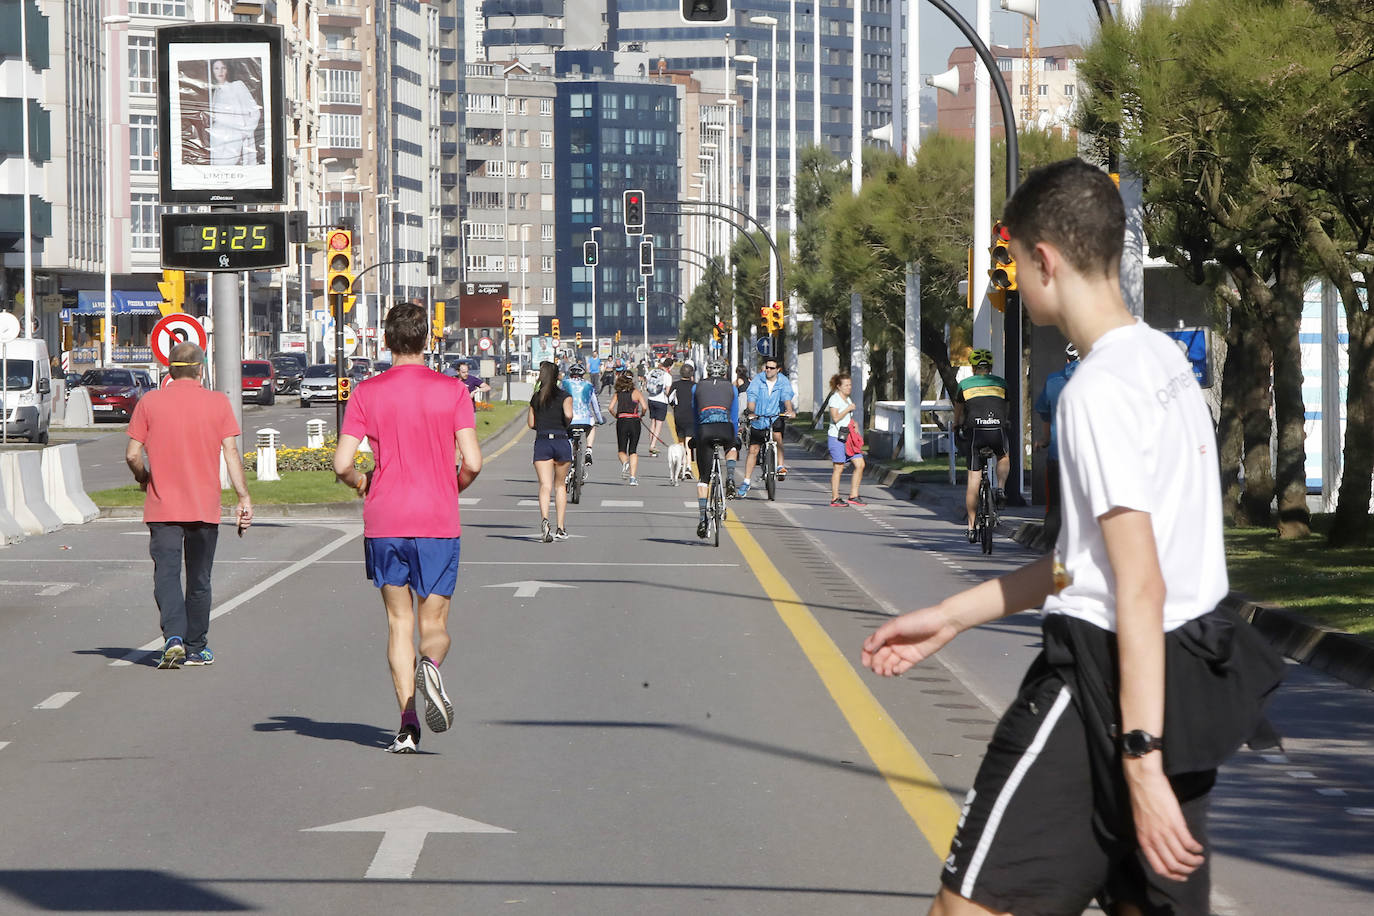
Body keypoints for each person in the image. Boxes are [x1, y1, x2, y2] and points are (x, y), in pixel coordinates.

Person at [861, 158, 1284, 916]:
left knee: (970, 908)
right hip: (1190, 683)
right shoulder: (1164, 365)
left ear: (1045, 260)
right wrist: (952, 617)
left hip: (1105, 689)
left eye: (1017, 264)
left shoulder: (1094, 392)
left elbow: (1139, 584)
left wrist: (1141, 760)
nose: (1016, 282)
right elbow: (1081, 565)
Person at [333, 303, 482, 754]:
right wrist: (450, 486)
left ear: (385, 341)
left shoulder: (366, 393)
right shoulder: (453, 391)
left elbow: (342, 463)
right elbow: (473, 461)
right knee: (432, 623)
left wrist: (362, 482)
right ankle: (432, 665)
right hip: (436, 519)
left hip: (385, 521)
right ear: (428, 341)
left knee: (398, 623)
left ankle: (407, 724)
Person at [124, 342, 252, 669]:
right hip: (203, 507)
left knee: (166, 575)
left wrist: (144, 477)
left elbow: (132, 454)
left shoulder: (150, 402)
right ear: (200, 369)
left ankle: (173, 639)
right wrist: (243, 497)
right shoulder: (217, 402)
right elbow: (231, 453)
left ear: (169, 369)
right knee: (199, 578)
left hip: (162, 507)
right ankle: (196, 646)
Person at [954, 348, 1010, 542]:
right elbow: (1006, 409)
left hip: (975, 433)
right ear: (990, 367)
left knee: (973, 481)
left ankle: (970, 527)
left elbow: (958, 413)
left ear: (973, 367)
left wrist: (956, 425)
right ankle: (1001, 487)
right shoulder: (1001, 384)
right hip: (996, 430)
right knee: (1002, 456)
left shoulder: (964, 385)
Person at [1033, 341, 1081, 544]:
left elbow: (1045, 414)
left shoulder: (1053, 381)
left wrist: (1045, 440)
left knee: (1054, 507)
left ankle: (1053, 555)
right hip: (1088, 458)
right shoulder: (1098, 379)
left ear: (1067, 359)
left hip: (1058, 455)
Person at [691, 360, 741, 538]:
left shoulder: (697, 388)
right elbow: (734, 418)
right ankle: (730, 478)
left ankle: (703, 518)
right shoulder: (732, 388)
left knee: (703, 479)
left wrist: (696, 438)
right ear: (725, 373)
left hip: (705, 431)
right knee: (732, 446)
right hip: (725, 429)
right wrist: (734, 438)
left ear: (707, 372)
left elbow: (695, 415)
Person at [528, 360, 574, 541]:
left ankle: (545, 519)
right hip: (561, 440)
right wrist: (564, 423)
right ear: (557, 377)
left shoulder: (536, 397)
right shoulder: (565, 396)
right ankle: (560, 527)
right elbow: (569, 415)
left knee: (544, 486)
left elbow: (531, 423)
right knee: (560, 485)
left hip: (542, 442)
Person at [738, 359, 796, 498]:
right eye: (767, 368)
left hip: (776, 415)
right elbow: (752, 397)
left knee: (777, 436)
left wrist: (789, 410)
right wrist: (751, 412)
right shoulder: (758, 380)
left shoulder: (783, 381)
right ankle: (746, 481)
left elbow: (786, 397)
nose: (768, 370)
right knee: (754, 449)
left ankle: (780, 466)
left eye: (771, 368)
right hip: (760, 417)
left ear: (778, 369)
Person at [822, 372, 866, 507]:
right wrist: (848, 409)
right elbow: (835, 418)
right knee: (839, 467)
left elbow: (846, 418)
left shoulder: (847, 399)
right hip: (837, 437)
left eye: (850, 385)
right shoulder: (835, 399)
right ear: (839, 386)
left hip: (849, 438)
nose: (849, 387)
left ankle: (854, 495)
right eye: (846, 385)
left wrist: (854, 423)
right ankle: (835, 498)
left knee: (860, 464)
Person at [208, 59, 261, 166]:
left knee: (231, 166)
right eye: (216, 68)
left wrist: (245, 132)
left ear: (228, 70)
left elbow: (255, 111)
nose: (220, 72)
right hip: (217, 139)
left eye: (223, 68)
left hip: (235, 136)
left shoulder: (237, 86)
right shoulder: (215, 93)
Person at [560, 363, 605, 468]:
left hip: (569, 419)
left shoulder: (564, 383)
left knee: (566, 434)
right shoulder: (589, 385)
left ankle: (568, 455)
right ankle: (589, 449)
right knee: (592, 425)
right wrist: (600, 420)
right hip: (585, 420)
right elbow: (595, 406)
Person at [611, 370, 648, 486]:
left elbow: (610, 408)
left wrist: (617, 415)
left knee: (621, 450)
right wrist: (641, 415)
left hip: (622, 421)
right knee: (633, 450)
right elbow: (645, 407)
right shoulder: (636, 392)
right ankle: (632, 478)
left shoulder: (618, 393)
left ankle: (625, 462)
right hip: (634, 421)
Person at [643, 357, 674, 457]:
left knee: (652, 423)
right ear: (669, 366)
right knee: (659, 425)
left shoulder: (653, 371)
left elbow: (646, 382)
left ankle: (651, 444)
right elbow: (668, 392)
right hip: (661, 401)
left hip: (651, 399)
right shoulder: (667, 376)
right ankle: (653, 445)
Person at [667, 362, 697, 448]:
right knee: (689, 437)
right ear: (692, 374)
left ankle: (683, 457)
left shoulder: (676, 385)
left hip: (679, 414)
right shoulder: (695, 386)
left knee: (680, 438)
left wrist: (674, 405)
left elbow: (669, 399)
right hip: (691, 415)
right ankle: (688, 459)